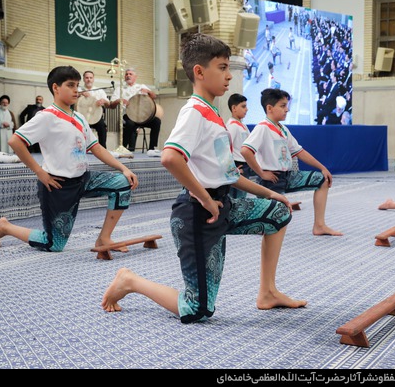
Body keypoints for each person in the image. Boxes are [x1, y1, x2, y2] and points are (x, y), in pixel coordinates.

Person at [102, 33, 306, 322]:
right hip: (197, 216)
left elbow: (229, 175)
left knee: (278, 212)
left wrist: (270, 193)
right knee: (197, 309)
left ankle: (268, 292)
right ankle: (130, 280)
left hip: (222, 207)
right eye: (222, 68)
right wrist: (205, 198)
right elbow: (170, 157)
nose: (229, 76)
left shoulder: (213, 115)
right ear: (199, 72)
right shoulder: (194, 112)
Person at [0, 66, 139, 257]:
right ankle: (5, 227)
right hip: (58, 186)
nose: (76, 90)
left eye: (77, 85)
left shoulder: (80, 118)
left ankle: (104, 238)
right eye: (70, 85)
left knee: (122, 183)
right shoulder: (47, 116)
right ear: (56, 88)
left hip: (83, 180)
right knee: (53, 244)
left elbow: (96, 148)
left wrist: (124, 168)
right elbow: (15, 141)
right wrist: (40, 172)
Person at [241, 88, 343, 236]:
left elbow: (299, 152)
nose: (287, 109)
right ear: (269, 108)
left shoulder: (282, 129)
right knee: (276, 221)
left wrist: (322, 168)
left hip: (288, 176)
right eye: (282, 106)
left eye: (286, 106)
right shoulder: (262, 128)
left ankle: (319, 226)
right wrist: (261, 173)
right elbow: (245, 151)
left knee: (322, 179)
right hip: (272, 181)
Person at [110, 68, 161, 154]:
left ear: (135, 77)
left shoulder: (141, 86)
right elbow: (111, 105)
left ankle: (152, 148)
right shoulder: (120, 89)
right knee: (130, 124)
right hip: (128, 116)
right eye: (126, 74)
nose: (128, 76)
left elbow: (154, 96)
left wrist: (148, 91)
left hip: (143, 117)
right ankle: (124, 147)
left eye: (130, 74)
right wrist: (118, 100)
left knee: (156, 121)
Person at [226, 93, 252, 198]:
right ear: (234, 108)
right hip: (237, 165)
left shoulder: (243, 125)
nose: (247, 109)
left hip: (244, 165)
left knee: (242, 196)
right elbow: (226, 149)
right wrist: (233, 168)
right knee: (237, 198)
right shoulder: (232, 126)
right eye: (243, 106)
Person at [76, 71, 110, 148]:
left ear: (93, 79)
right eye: (87, 78)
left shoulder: (99, 91)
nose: (89, 79)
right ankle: (80, 148)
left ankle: (103, 148)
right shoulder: (79, 89)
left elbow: (108, 103)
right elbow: (71, 97)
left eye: (91, 78)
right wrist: (81, 93)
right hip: (82, 118)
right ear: (83, 79)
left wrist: (103, 101)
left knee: (102, 126)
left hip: (95, 117)